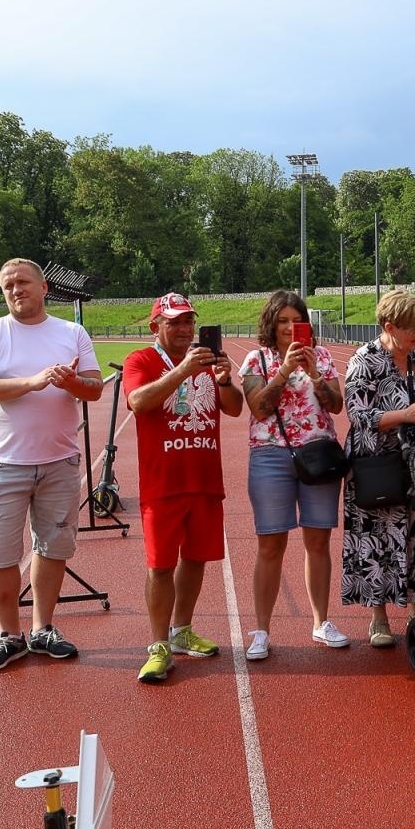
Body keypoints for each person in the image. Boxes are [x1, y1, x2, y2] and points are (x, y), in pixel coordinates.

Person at [0, 258, 104, 673]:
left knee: (53, 547)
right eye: (7, 285)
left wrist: (69, 383)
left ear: (44, 287)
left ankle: (43, 629)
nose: (15, 290)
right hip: (4, 463)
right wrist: (31, 381)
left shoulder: (72, 332)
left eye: (23, 282)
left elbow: (93, 389)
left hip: (59, 460)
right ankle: (9, 634)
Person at [123, 293, 245, 683]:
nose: (184, 329)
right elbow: (138, 401)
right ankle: (158, 643)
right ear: (154, 326)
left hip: (205, 480)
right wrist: (182, 372)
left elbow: (234, 407)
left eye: (188, 321)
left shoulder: (207, 361)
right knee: (160, 565)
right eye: (174, 322)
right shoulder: (141, 360)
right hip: (163, 484)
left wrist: (224, 379)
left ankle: (182, 630)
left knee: (196, 559)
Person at [341, 290, 415, 647]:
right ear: (390, 326)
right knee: (378, 538)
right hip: (378, 462)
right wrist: (403, 416)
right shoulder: (364, 360)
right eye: (413, 329)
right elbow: (358, 416)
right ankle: (378, 619)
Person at [238, 291, 349, 660]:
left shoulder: (323, 357)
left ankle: (321, 622)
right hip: (270, 455)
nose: (289, 327)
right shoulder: (256, 359)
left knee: (318, 542)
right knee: (270, 545)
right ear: (271, 323)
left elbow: (335, 404)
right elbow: (259, 407)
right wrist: (285, 369)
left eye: (295, 320)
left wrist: (314, 372)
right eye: (282, 320)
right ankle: (262, 630)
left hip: (318, 455)